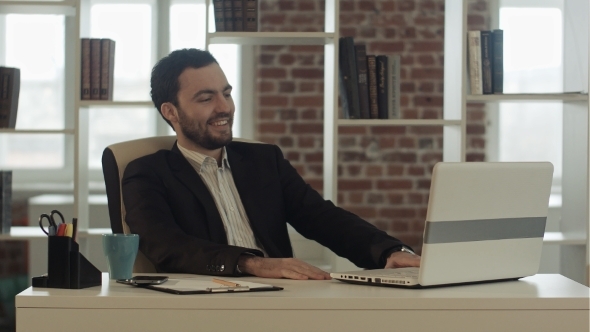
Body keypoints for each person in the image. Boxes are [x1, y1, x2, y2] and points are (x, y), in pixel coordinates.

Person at [122, 48, 421, 280]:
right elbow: (166, 246)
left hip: (279, 300)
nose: (224, 107)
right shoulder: (147, 174)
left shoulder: (264, 161)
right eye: (206, 98)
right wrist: (252, 264)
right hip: (204, 307)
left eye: (226, 93)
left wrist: (388, 252)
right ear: (171, 112)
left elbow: (323, 218)